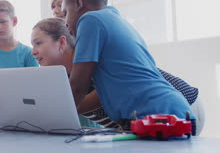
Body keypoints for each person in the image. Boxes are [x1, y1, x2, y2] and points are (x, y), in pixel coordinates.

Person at [31, 17, 204, 134]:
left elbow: (84, 101)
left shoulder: (88, 60)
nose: (33, 51)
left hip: (182, 106)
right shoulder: (67, 75)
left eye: (38, 43)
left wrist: (50, 110)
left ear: (61, 42)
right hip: (147, 118)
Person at [63, 0, 195, 130]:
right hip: (167, 109)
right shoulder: (116, 21)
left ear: (78, 4)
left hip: (158, 112)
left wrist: (52, 118)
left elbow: (77, 87)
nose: (65, 23)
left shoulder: (90, 20)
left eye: (65, 13)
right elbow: (102, 93)